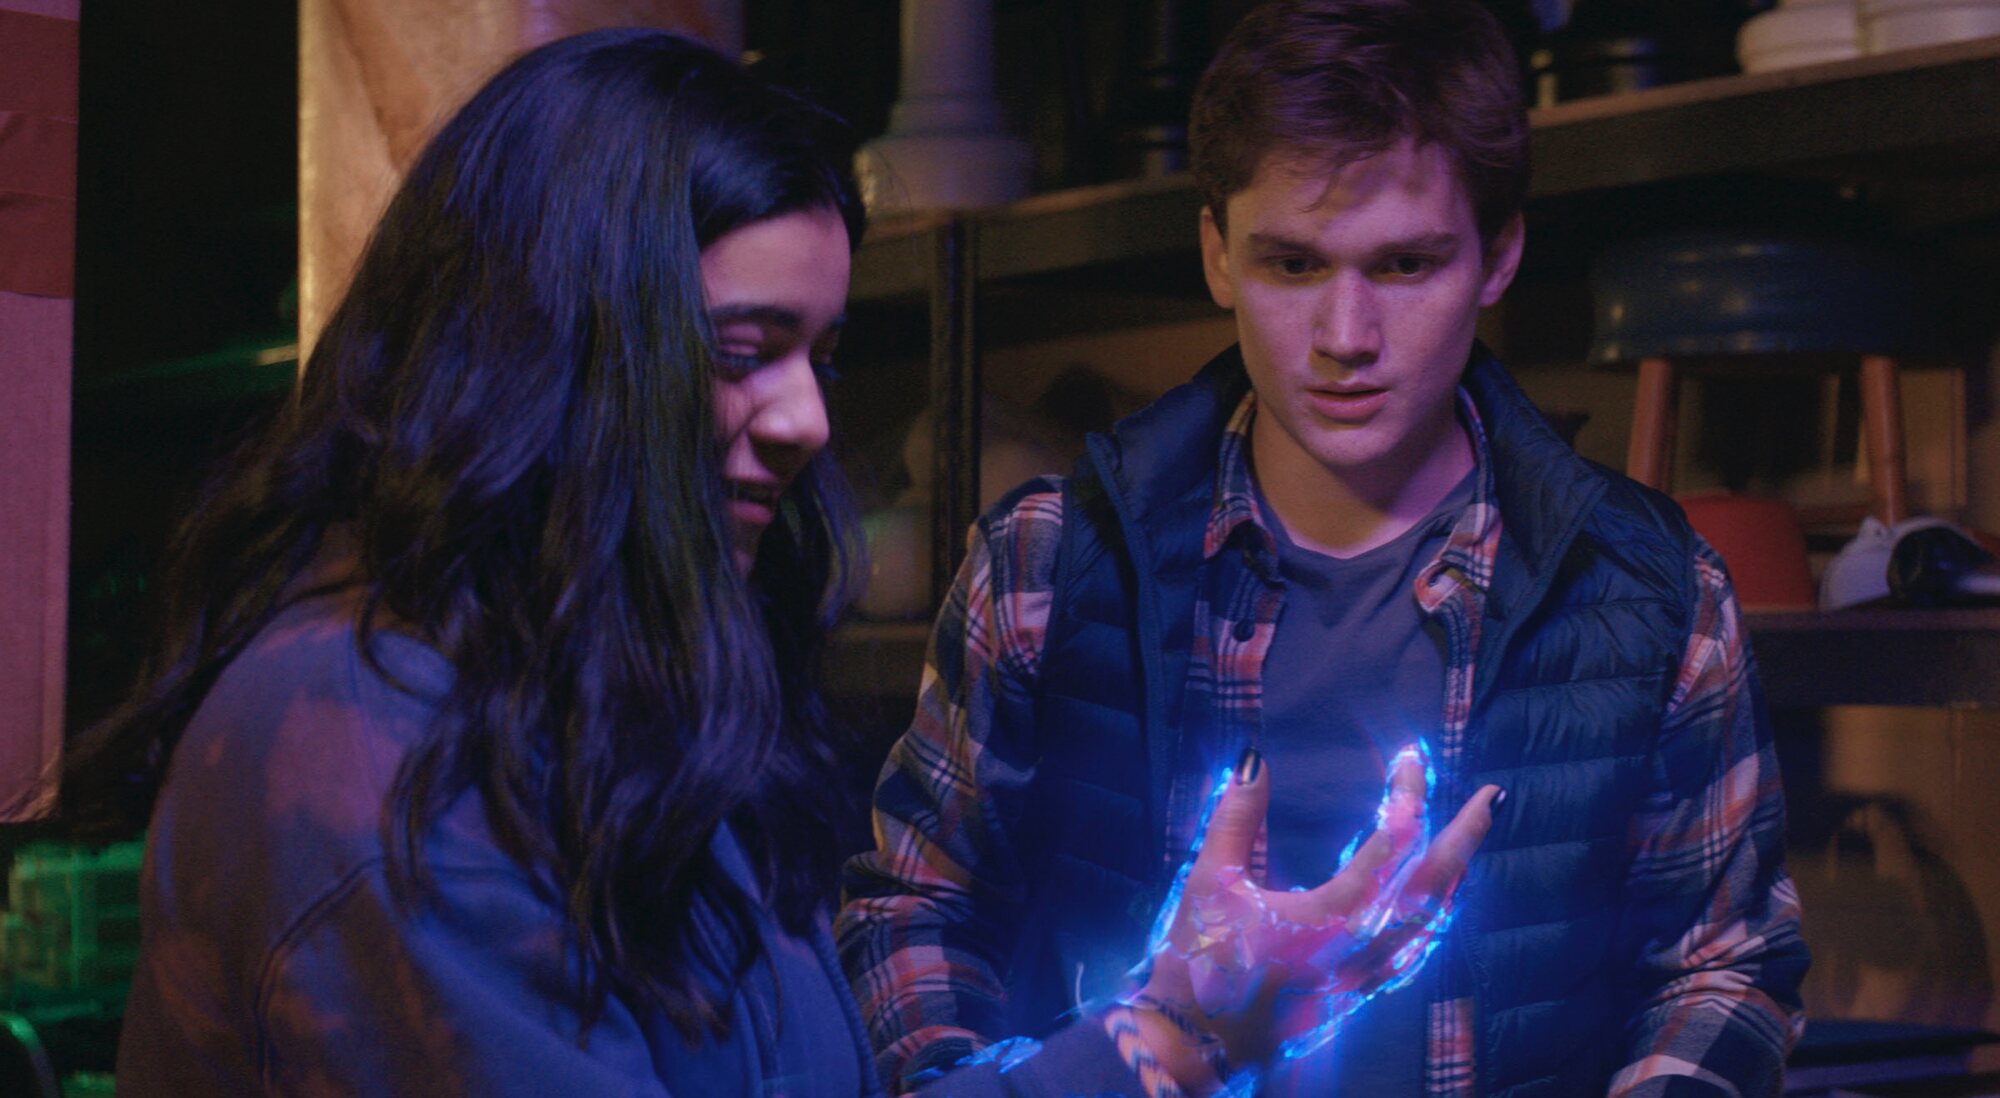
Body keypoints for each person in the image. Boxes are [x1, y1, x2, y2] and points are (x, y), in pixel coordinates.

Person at [61, 27, 1489, 1098]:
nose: (807, 419)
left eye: (821, 355)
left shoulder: (604, 697)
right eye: (743, 350)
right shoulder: (374, 757)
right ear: (553, 350)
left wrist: (1183, 1025)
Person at [838, 1, 1810, 1095]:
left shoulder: (1646, 588)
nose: (1346, 338)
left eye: (1404, 265)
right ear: (1216, 254)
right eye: (1293, 265)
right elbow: (913, 908)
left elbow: (1724, 966)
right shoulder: (1047, 565)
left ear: (1499, 256)